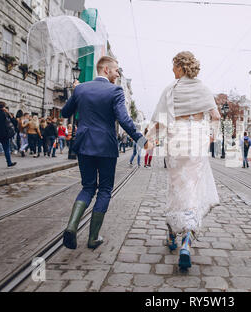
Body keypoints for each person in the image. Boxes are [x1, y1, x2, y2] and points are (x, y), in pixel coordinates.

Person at [61, 56, 148, 251]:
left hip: (83, 145)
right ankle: (93, 237)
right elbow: (125, 120)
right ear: (107, 69)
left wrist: (75, 92)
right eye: (116, 70)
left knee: (88, 187)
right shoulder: (115, 90)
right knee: (105, 189)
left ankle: (71, 226)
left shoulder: (81, 89)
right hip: (106, 147)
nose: (118, 74)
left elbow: (65, 113)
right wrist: (142, 140)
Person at [146, 51, 220, 271]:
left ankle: (171, 233)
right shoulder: (204, 89)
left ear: (180, 67)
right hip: (197, 139)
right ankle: (186, 241)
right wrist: (210, 136)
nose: (172, 71)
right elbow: (216, 117)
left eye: (173, 66)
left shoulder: (170, 89)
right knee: (192, 188)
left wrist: (146, 140)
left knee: (176, 187)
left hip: (176, 139)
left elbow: (159, 122)